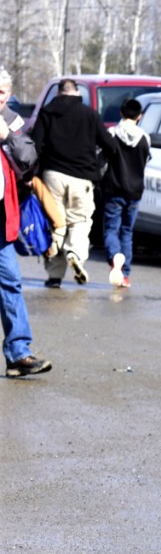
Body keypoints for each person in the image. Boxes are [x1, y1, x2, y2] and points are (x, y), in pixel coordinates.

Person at [30, 78, 116, 288]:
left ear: (59, 93)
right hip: (82, 177)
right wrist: (99, 163)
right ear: (77, 93)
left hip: (52, 176)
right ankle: (75, 253)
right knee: (80, 221)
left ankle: (54, 276)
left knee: (56, 222)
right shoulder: (89, 114)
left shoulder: (47, 112)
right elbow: (110, 144)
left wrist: (34, 175)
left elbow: (35, 145)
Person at [0, 69, 52, 378]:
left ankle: (19, 353)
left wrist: (7, 137)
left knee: (11, 283)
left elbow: (30, 156)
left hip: (2, 221)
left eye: (2, 93)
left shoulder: (12, 120)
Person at [101, 97, 150, 289]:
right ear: (140, 116)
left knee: (111, 229)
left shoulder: (112, 134)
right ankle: (125, 274)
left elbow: (103, 160)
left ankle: (115, 260)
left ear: (121, 113)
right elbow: (145, 162)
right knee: (127, 231)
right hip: (135, 191)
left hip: (113, 188)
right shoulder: (145, 138)